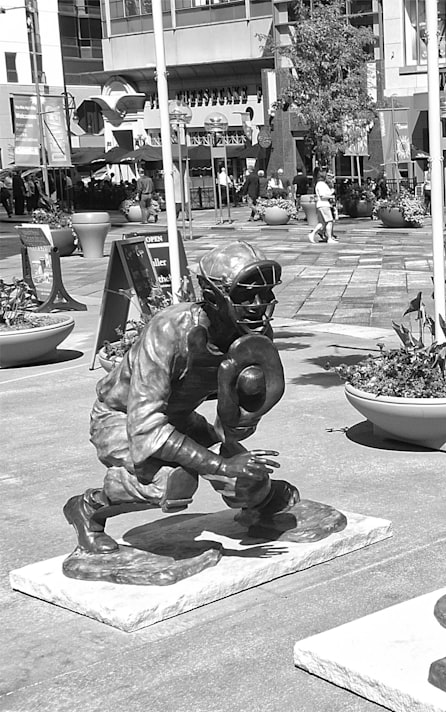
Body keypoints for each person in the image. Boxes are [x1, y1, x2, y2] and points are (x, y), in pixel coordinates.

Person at [63, 242, 299, 555]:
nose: (259, 304)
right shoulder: (169, 331)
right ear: (213, 297)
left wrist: (239, 423)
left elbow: (233, 418)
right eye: (245, 295)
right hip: (123, 419)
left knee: (250, 481)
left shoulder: (252, 333)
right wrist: (221, 465)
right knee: (173, 481)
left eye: (265, 293)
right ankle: (88, 508)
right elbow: (146, 425)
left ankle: (257, 504)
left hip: (178, 417)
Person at [310, 172, 338, 243]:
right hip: (324, 205)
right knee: (329, 221)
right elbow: (323, 196)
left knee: (322, 223)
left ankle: (312, 234)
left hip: (321, 205)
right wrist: (331, 196)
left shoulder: (320, 184)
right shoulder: (321, 185)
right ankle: (329, 238)